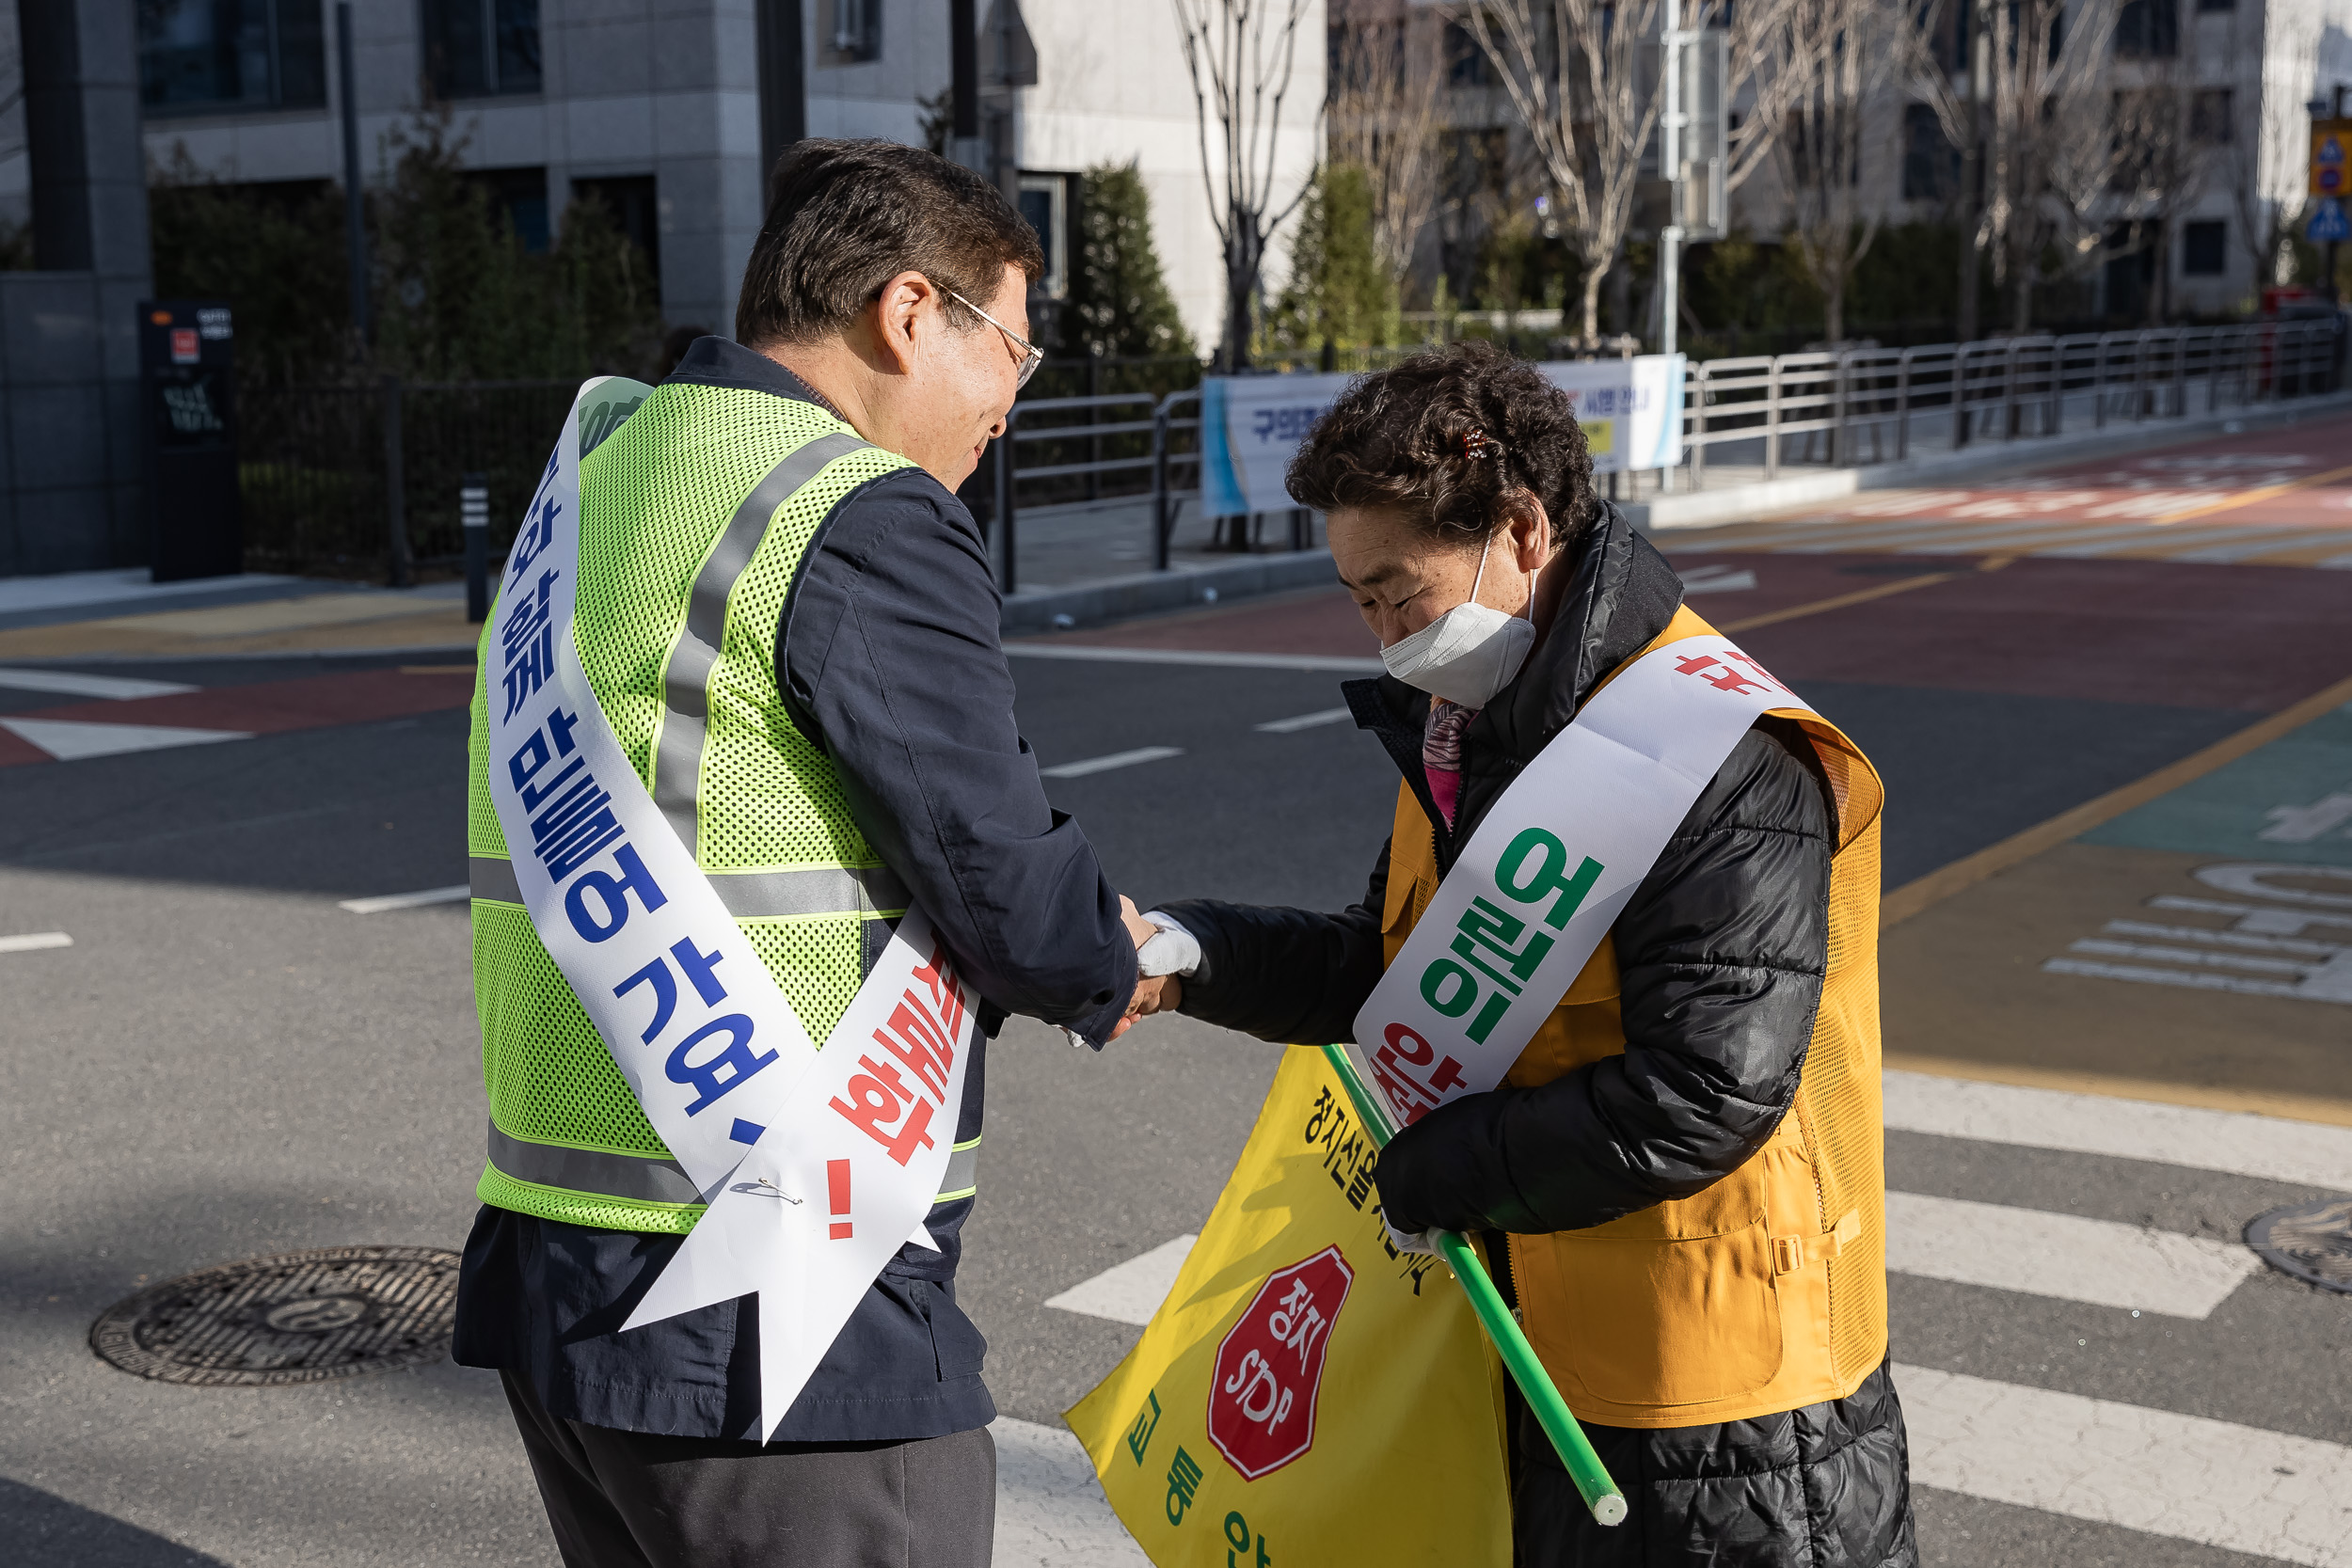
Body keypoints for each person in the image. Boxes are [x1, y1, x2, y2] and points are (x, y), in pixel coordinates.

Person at [454, 139, 1165, 1568]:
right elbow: (1004, 876)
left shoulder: (604, 468)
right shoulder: (856, 510)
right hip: (773, 1299)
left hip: (559, 1259)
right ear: (911, 313)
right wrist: (1114, 955)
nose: (1010, 408)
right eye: (1012, 352)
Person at [1128, 342, 1915, 1566]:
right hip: (1534, 1336)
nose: (1386, 634)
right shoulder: (1469, 731)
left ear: (1524, 530)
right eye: (1360, 602)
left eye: (1401, 593)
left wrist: (1438, 1173)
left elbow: (1708, 1088)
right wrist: (1192, 955)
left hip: (1726, 1393)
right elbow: (1394, 974)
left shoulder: (1716, 746)